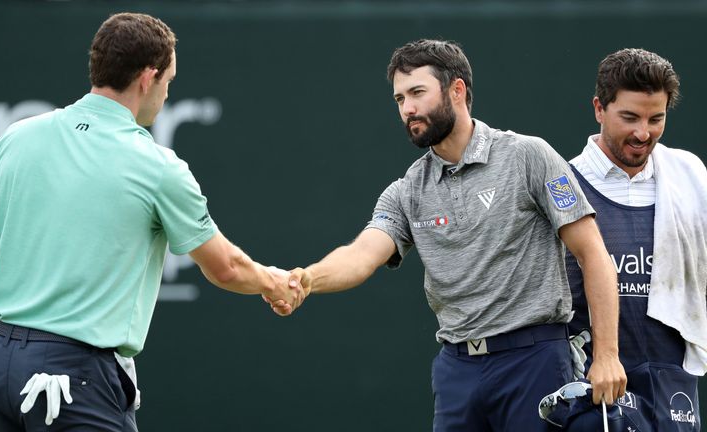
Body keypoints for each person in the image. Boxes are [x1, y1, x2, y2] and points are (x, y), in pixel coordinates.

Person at [0, 12, 305, 432]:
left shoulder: (14, 139)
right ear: (148, 77)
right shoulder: (158, 165)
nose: (166, 95)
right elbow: (226, 267)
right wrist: (272, 283)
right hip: (73, 378)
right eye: (169, 82)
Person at [268, 39, 626, 431]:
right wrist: (307, 279)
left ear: (457, 91)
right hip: (458, 370)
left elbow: (594, 254)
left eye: (417, 93)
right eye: (399, 99)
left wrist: (606, 355)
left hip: (534, 360)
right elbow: (362, 254)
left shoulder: (528, 156)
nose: (407, 109)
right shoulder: (406, 190)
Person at [565, 48, 706, 431]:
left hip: (674, 381)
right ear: (599, 108)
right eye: (629, 117)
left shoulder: (690, 178)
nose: (643, 133)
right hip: (592, 388)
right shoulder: (561, 186)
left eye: (655, 119)